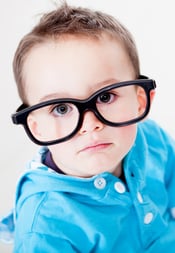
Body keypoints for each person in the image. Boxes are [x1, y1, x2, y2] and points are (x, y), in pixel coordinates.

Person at [7, 1, 175, 252]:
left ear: (140, 102)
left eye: (105, 97)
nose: (90, 125)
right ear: (37, 128)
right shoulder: (44, 227)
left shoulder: (152, 139)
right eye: (61, 109)